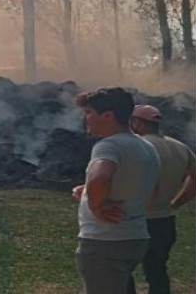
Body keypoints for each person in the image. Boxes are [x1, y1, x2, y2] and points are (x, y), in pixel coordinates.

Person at [71, 87, 160, 294]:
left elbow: (100, 176)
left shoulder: (108, 146)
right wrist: (87, 191)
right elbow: (152, 190)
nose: (86, 119)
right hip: (135, 237)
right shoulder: (146, 147)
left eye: (89, 113)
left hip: (105, 242)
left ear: (108, 115)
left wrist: (96, 206)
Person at [127, 105, 196, 294]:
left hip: (135, 220)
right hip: (164, 221)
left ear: (138, 123)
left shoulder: (136, 146)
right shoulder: (179, 147)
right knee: (157, 271)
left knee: (122, 270)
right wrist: (176, 202)